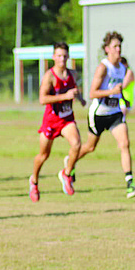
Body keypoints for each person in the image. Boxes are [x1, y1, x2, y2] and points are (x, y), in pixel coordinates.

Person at [75, 31, 135, 198]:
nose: (118, 49)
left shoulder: (122, 68)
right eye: (115, 46)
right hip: (99, 113)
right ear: (107, 49)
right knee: (90, 147)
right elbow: (92, 93)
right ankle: (70, 162)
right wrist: (111, 91)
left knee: (125, 144)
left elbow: (117, 89)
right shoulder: (103, 67)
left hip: (114, 112)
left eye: (120, 46)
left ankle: (130, 183)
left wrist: (122, 99)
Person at [28, 42, 86, 202]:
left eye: (64, 56)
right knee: (43, 155)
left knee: (76, 144)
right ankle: (34, 181)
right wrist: (64, 96)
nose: (62, 58)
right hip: (51, 121)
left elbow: (74, 90)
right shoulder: (50, 76)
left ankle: (66, 174)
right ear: (54, 57)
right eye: (59, 55)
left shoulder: (72, 74)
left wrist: (80, 99)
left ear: (68, 57)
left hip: (67, 119)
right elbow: (42, 99)